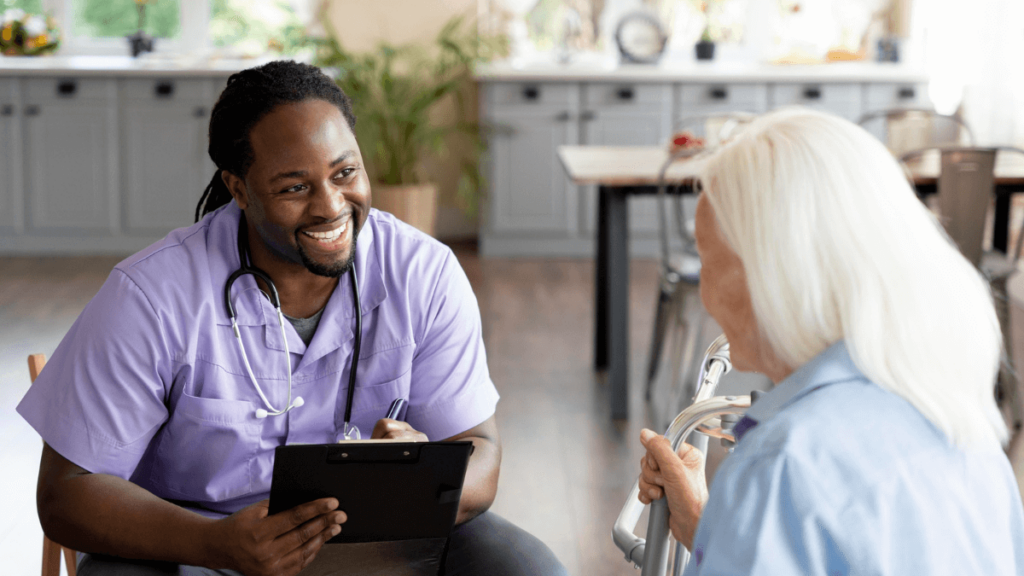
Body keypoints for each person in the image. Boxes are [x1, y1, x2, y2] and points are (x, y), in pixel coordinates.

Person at [18, 60, 567, 576]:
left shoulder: (423, 273)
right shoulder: (152, 296)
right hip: (201, 548)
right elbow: (68, 492)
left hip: (378, 541)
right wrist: (215, 543)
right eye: (295, 188)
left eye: (345, 172)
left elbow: (481, 453)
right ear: (238, 189)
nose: (331, 206)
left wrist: (417, 479)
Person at [637, 108, 1024, 575]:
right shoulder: (967, 429)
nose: (704, 294)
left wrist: (740, 520)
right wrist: (713, 528)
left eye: (708, 260)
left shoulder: (783, 466)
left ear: (768, 274)